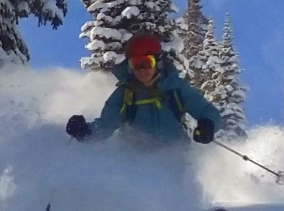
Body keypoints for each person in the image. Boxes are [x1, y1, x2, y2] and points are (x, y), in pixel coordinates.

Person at [66, 32, 222, 146]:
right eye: (136, 64)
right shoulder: (125, 94)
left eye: (147, 63)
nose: (142, 70)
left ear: (158, 63)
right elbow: (106, 125)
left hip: (176, 160)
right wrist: (85, 131)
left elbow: (209, 112)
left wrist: (208, 125)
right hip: (138, 166)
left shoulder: (175, 88)